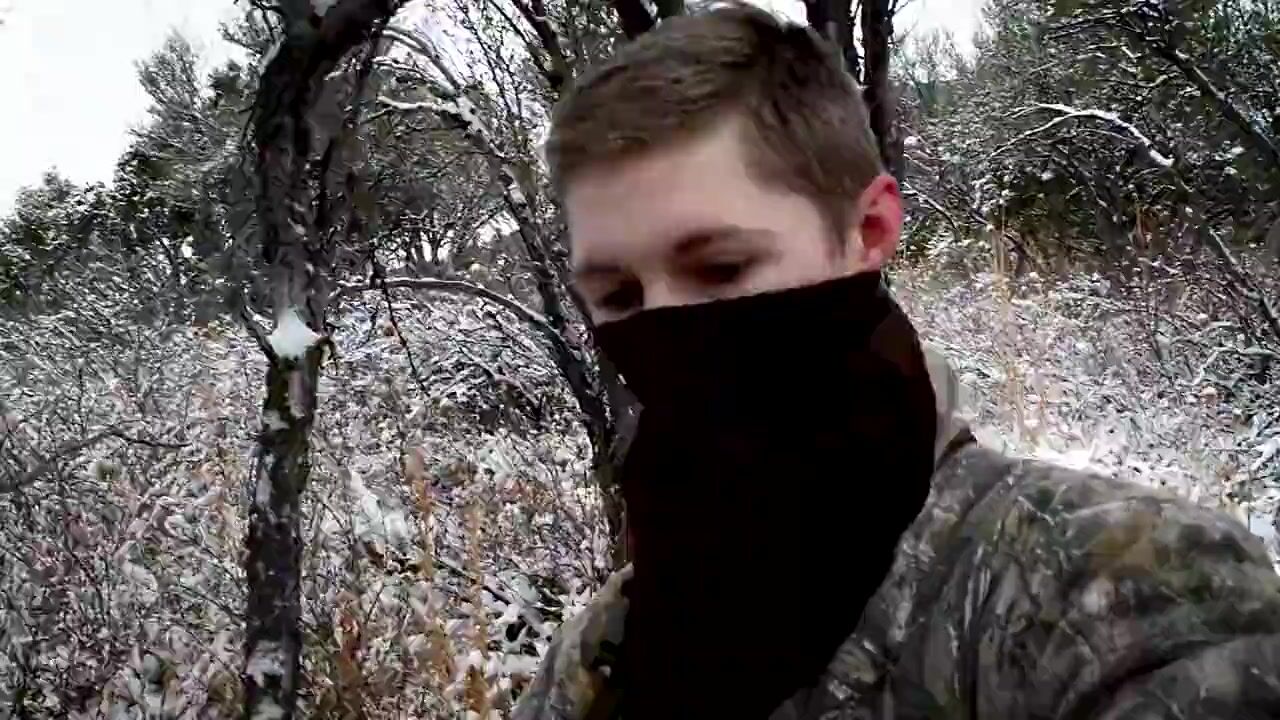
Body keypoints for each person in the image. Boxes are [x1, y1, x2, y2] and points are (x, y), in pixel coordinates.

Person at [512, 4, 1280, 719]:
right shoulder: (607, 648)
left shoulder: (1113, 591)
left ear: (871, 229)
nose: (663, 328)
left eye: (721, 268)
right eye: (617, 295)